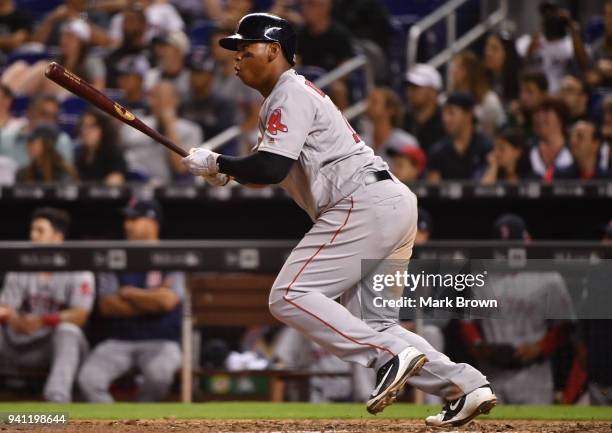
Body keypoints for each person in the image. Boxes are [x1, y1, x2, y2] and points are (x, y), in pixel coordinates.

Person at [182, 13, 496, 426]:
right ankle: (467, 385)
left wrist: (219, 160)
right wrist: (229, 171)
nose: (237, 59)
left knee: (288, 295)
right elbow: (270, 169)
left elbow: (271, 168)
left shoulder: (288, 92)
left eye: (246, 49)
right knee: (374, 323)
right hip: (388, 202)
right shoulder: (285, 98)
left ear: (274, 51)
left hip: (361, 202)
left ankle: (387, 357)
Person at [459, 214, 575, 404]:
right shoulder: (481, 277)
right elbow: (466, 323)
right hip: (491, 373)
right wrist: (480, 346)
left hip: (533, 376)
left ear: (527, 241)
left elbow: (564, 325)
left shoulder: (548, 276)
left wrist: (540, 347)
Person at [78, 198, 183, 402]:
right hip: (119, 341)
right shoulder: (115, 256)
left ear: (152, 223)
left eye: (134, 219)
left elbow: (168, 302)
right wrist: (152, 300)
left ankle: (139, 421)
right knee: (88, 379)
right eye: (127, 219)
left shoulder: (171, 255)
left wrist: (129, 293)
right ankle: (114, 424)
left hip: (161, 341)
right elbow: (107, 306)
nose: (127, 224)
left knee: (159, 376)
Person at [0, 207, 95, 402]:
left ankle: (57, 402)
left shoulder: (78, 268)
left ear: (58, 237)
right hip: (18, 341)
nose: (32, 236)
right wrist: (14, 318)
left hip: (52, 346)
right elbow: (4, 306)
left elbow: (80, 315)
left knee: (69, 331)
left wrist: (43, 320)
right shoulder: (20, 265)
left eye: (40, 231)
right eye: (32, 230)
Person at [119, 81, 201, 183]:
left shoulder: (191, 130)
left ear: (176, 100)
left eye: (163, 97)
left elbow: (181, 169)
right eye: (154, 97)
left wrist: (170, 125)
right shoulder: (135, 124)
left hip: (170, 190)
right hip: (133, 184)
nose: (158, 102)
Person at [3, 18, 106, 97]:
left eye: (70, 36)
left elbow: (99, 91)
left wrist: (73, 85)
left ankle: (11, 98)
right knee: (19, 66)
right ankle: (4, 94)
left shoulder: (92, 61)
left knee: (43, 69)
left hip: (75, 97)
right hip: (53, 95)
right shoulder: (60, 60)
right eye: (63, 36)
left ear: (81, 42)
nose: (64, 40)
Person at [516, 1, 588, 93]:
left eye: (553, 13)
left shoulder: (570, 44)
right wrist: (531, 48)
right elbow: (517, 69)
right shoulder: (529, 41)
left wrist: (572, 28)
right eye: (545, 14)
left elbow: (584, 64)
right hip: (536, 96)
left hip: (560, 96)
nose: (549, 17)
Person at [427, 92, 492, 182]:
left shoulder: (486, 147)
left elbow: (489, 186)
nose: (445, 119)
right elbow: (433, 189)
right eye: (444, 113)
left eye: (451, 113)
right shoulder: (438, 151)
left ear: (468, 115)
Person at [0, 94, 74, 168]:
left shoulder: (62, 142)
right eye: (44, 114)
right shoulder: (5, 139)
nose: (49, 121)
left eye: (53, 117)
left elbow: (66, 176)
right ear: (30, 112)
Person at [180, 53, 237, 144]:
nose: (194, 77)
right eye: (192, 72)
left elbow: (226, 139)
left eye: (199, 72)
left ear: (211, 75)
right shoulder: (183, 102)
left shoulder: (223, 104)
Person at [450, 50, 506, 138]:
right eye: (453, 67)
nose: (453, 71)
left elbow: (495, 131)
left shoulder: (489, 99)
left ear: (469, 71)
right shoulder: (450, 98)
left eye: (458, 67)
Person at [363, 87, 419, 163]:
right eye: (368, 101)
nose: (368, 106)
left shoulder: (406, 143)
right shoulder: (362, 142)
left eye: (374, 102)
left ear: (390, 110)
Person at [75, 110, 127, 185]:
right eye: (83, 126)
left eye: (91, 126)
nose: (84, 131)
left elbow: (115, 183)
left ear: (103, 129)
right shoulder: (81, 154)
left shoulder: (114, 153)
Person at [402, 64, 445, 154]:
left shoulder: (446, 123)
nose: (410, 92)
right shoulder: (403, 120)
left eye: (416, 87)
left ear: (433, 91)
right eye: (409, 87)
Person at [104, 5, 150, 89]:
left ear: (143, 25)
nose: (126, 25)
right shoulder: (113, 57)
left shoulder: (152, 53)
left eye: (131, 21)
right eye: (124, 21)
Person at [530, 97, 574, 181]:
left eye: (546, 112)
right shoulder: (528, 152)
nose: (539, 117)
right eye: (536, 113)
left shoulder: (573, 150)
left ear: (560, 118)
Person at [145, 31, 191, 101]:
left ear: (179, 50)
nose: (159, 51)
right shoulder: (150, 77)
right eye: (158, 47)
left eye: (164, 46)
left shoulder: (190, 79)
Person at [509, 71, 549, 144]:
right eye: (521, 91)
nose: (523, 97)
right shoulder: (516, 114)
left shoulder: (550, 119)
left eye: (529, 92)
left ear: (543, 94)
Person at [483, 31, 522, 103]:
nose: (488, 53)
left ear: (507, 53)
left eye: (494, 49)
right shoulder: (482, 77)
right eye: (487, 47)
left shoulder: (520, 79)